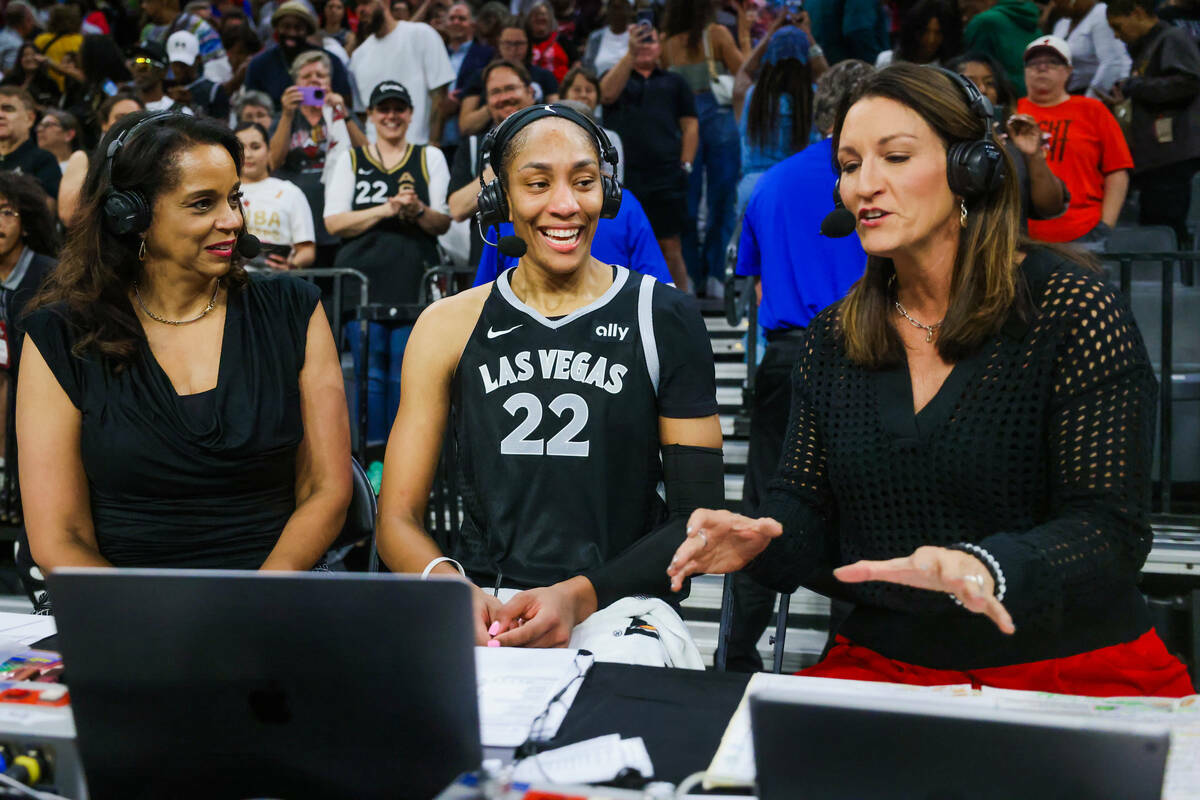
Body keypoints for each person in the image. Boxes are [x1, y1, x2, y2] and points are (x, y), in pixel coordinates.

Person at [668, 63, 1196, 698]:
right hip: (887, 661)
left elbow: (1110, 528)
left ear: (971, 166)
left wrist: (987, 566)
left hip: (1066, 667)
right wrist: (765, 538)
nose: (865, 185)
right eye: (851, 164)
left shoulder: (1071, 308)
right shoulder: (832, 338)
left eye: (895, 157)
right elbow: (802, 507)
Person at [375, 104, 722, 659]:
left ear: (606, 192)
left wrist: (578, 596)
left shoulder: (664, 315)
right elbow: (395, 519)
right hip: (487, 601)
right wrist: (446, 582)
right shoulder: (446, 325)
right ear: (500, 198)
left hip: (621, 604)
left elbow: (700, 519)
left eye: (584, 182)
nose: (565, 205)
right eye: (537, 184)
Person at [17, 112, 351, 600]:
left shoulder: (292, 309)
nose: (233, 220)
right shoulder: (60, 334)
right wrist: (162, 624)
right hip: (124, 609)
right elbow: (59, 537)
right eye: (202, 204)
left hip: (276, 593)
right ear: (131, 216)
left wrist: (253, 602)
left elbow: (327, 491)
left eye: (234, 198)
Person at [723, 59, 872, 673]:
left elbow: (751, 283)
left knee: (763, 516)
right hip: (864, 351)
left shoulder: (770, 183)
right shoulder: (868, 182)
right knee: (864, 513)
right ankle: (854, 656)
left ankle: (733, 654)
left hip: (785, 357)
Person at [324, 81, 451, 443]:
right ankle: (376, 464)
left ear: (410, 115)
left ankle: (405, 458)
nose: (391, 116)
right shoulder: (351, 159)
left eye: (399, 109)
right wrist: (388, 208)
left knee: (406, 375)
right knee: (369, 376)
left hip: (414, 277)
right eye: (384, 109)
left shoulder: (430, 157)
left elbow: (441, 221)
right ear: (371, 116)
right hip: (360, 281)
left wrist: (417, 209)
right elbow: (334, 222)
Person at [600, 24, 698, 292]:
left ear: (660, 46)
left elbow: (690, 125)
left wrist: (686, 165)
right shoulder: (618, 76)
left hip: (666, 175)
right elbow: (606, 94)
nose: (644, 45)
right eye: (639, 40)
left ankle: (683, 307)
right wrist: (628, 54)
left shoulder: (675, 82)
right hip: (625, 177)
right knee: (624, 242)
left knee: (670, 245)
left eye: (650, 40)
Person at [661, 0, 745, 300]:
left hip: (683, 126)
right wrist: (744, 27)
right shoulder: (718, 34)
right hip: (714, 120)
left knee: (688, 202)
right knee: (721, 199)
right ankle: (715, 274)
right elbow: (743, 75)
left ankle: (694, 275)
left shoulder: (666, 44)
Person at [1017, 35, 1131, 248]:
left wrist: (1105, 225)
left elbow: (1117, 171)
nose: (1042, 68)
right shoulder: (1012, 113)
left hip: (1083, 232)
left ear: (1068, 71)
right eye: (1034, 63)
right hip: (1022, 234)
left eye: (1052, 63)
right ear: (1024, 71)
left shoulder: (1093, 110)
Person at [1104, 0, 1200, 243]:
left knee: (1165, 229)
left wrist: (1135, 86)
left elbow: (1190, 81)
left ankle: (1178, 279)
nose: (1117, 35)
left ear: (1137, 13)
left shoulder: (1172, 38)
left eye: (1118, 26)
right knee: (1156, 225)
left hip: (1172, 157)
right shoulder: (1149, 45)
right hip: (1156, 157)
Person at [949, 52, 1071, 231]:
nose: (982, 89)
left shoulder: (1014, 140)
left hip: (1012, 253)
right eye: (972, 83)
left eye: (990, 83)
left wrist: (1034, 155)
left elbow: (1050, 208)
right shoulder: (938, 141)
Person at [269, 50, 366, 268]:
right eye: (307, 76)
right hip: (296, 216)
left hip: (336, 215)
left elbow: (368, 156)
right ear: (295, 84)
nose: (314, 80)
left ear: (330, 82)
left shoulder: (340, 113)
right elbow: (273, 162)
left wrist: (343, 113)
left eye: (320, 76)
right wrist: (286, 114)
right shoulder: (286, 116)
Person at [448, 58, 538, 270]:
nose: (504, 97)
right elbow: (457, 209)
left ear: (530, 92)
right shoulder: (473, 146)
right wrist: (502, 164)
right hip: (489, 267)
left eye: (510, 88)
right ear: (487, 102)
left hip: (544, 261)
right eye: (495, 92)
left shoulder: (555, 137)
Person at [349, 0, 456, 146]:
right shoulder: (358, 57)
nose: (360, 10)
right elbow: (363, 114)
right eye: (357, 6)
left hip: (418, 147)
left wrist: (433, 143)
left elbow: (439, 96)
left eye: (366, 2)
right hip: (376, 154)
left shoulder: (422, 34)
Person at [734, 25, 814, 216]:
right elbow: (835, 80)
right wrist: (811, 40)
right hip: (797, 188)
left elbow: (743, 72)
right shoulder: (814, 97)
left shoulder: (752, 97)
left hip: (752, 190)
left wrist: (770, 33)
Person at [234, 121, 316, 270]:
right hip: (228, 283)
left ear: (269, 150)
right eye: (241, 148)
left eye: (255, 147)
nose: (248, 154)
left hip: (274, 282)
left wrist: (291, 266)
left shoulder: (290, 192)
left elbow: (307, 250)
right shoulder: (223, 191)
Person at [243, 1, 356, 105]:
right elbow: (251, 105)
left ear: (307, 31)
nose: (292, 33)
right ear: (277, 28)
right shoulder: (259, 64)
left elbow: (345, 102)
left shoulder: (330, 61)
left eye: (298, 28)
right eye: (286, 27)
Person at [459, 23, 560, 135]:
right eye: (507, 43)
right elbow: (465, 126)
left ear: (528, 44)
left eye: (518, 44)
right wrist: (496, 103)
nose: (513, 49)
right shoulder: (480, 76)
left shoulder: (545, 76)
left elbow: (556, 117)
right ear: (499, 44)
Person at [57, 93, 143, 225]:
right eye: (121, 118)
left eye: (135, 119)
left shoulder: (150, 162)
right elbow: (68, 215)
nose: (129, 124)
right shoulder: (83, 158)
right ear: (104, 123)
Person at [139, 0, 234, 84]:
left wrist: (199, 91)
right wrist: (141, 62)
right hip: (158, 93)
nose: (143, 6)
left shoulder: (196, 26)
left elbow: (216, 64)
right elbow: (146, 61)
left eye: (147, 1)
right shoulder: (148, 31)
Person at [1050, 0, 1131, 97]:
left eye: (1058, 2)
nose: (1054, 5)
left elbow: (1112, 63)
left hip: (1099, 93)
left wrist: (1090, 99)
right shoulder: (1063, 23)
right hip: (1067, 93)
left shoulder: (1102, 15)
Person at [963, 0, 1042, 95]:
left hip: (995, 103)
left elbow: (971, 71)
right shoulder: (1035, 26)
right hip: (1030, 101)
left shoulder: (985, 21)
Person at [559, 66, 623, 181]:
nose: (583, 95)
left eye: (589, 90)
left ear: (598, 97)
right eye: (577, 90)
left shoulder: (610, 137)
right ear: (564, 95)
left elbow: (615, 181)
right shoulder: (551, 131)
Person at [0, 87, 58, 203]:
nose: (0, 114)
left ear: (30, 119)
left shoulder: (44, 160)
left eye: (8, 109)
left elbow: (47, 210)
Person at [876, 0, 964, 67]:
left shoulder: (950, 69)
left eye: (938, 33)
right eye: (925, 31)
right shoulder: (887, 60)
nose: (931, 39)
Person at [166, 30, 232, 120]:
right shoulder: (164, 89)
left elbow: (223, 129)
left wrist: (191, 106)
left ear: (198, 59)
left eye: (184, 65)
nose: (178, 70)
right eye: (175, 64)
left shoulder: (213, 90)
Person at [129, 41, 192, 115]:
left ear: (163, 71)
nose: (137, 70)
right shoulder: (125, 110)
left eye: (143, 64)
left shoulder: (181, 113)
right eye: (133, 64)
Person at [0, 43, 63, 111]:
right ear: (19, 60)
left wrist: (35, 107)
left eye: (33, 55)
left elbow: (54, 109)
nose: (29, 58)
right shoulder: (9, 80)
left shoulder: (49, 83)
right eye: (25, 55)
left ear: (41, 58)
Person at [581, 0, 634, 77]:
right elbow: (588, 69)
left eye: (622, 8)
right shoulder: (595, 37)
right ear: (608, 10)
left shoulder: (637, 36)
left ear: (630, 10)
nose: (618, 13)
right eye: (614, 8)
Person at [526, 1, 568, 81]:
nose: (540, 17)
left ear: (551, 19)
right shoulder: (523, 41)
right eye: (536, 14)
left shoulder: (562, 40)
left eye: (543, 14)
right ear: (529, 19)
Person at [0, 3, 35, 75]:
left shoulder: (3, 35)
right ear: (24, 22)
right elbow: (10, 75)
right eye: (30, 19)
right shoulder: (16, 45)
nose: (33, 23)